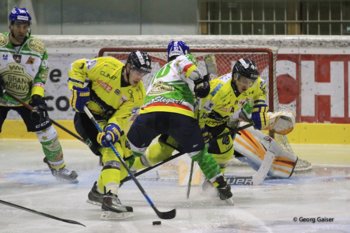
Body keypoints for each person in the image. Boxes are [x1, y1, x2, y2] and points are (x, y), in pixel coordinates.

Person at [126, 40, 233, 202]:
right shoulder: (184, 60)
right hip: (178, 114)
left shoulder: (159, 73)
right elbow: (183, 62)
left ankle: (108, 185)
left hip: (149, 113)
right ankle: (221, 186)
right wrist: (199, 81)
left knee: (126, 154)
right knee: (200, 153)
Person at [67, 51, 151, 219]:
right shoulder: (106, 66)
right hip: (86, 117)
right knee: (112, 151)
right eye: (137, 71)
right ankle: (110, 196)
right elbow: (77, 66)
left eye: (144, 73)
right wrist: (77, 89)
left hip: (107, 120)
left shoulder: (138, 94)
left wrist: (112, 131)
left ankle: (98, 191)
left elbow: (121, 118)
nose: (140, 76)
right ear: (128, 66)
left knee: (128, 160)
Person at [0, 7, 78, 183]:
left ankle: (59, 168)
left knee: (47, 132)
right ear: (10, 25)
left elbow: (40, 76)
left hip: (26, 98)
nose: (22, 30)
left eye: (25, 26)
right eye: (18, 26)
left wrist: (37, 97)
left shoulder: (38, 48)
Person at [197, 58, 298, 179]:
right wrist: (201, 129)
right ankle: (213, 176)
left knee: (226, 151)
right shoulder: (218, 90)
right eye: (244, 80)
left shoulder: (254, 85)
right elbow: (199, 111)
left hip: (226, 123)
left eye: (250, 81)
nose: (247, 85)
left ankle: (215, 180)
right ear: (235, 77)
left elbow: (260, 88)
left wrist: (260, 108)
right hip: (206, 122)